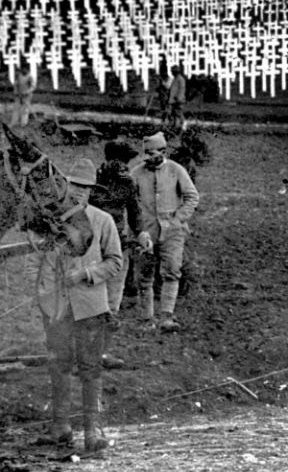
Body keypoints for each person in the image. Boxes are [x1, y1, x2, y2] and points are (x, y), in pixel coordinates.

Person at [29, 157, 124, 454]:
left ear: (91, 191)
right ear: (65, 187)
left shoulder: (102, 221)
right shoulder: (52, 220)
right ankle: (60, 427)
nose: (79, 192)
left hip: (90, 306)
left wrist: (85, 274)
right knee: (58, 364)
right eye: (74, 186)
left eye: (85, 188)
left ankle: (91, 430)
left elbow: (116, 262)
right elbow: (38, 251)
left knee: (90, 367)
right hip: (57, 306)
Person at [132, 131, 200, 332]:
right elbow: (131, 202)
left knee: (171, 271)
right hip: (146, 232)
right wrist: (137, 228)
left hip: (172, 232)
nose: (149, 158)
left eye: (153, 153)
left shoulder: (175, 170)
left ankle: (167, 317)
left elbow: (192, 197)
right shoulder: (136, 173)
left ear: (163, 151)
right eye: (146, 154)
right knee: (144, 275)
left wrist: (178, 220)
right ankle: (147, 319)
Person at [93, 140, 142, 370]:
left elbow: (134, 212)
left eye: (125, 163)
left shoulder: (128, 184)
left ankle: (101, 353)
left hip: (118, 247)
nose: (122, 167)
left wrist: (141, 233)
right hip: (92, 248)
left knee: (112, 301)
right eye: (120, 161)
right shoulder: (92, 182)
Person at [165, 66, 188, 132]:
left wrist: (179, 98)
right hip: (173, 100)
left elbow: (181, 89)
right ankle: (175, 125)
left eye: (173, 71)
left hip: (178, 100)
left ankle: (184, 124)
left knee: (179, 112)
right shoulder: (175, 79)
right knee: (174, 113)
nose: (172, 72)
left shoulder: (180, 79)